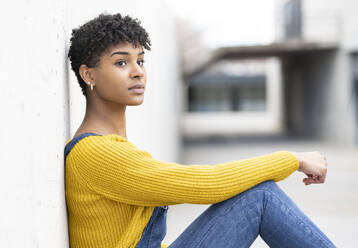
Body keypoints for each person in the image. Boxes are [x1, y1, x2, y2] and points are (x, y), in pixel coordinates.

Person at [64, 13, 336, 248]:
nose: (138, 72)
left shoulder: (109, 145)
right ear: (89, 75)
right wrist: (293, 159)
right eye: (121, 62)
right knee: (260, 198)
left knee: (260, 196)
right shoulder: (95, 153)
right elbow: (209, 184)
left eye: (141, 60)